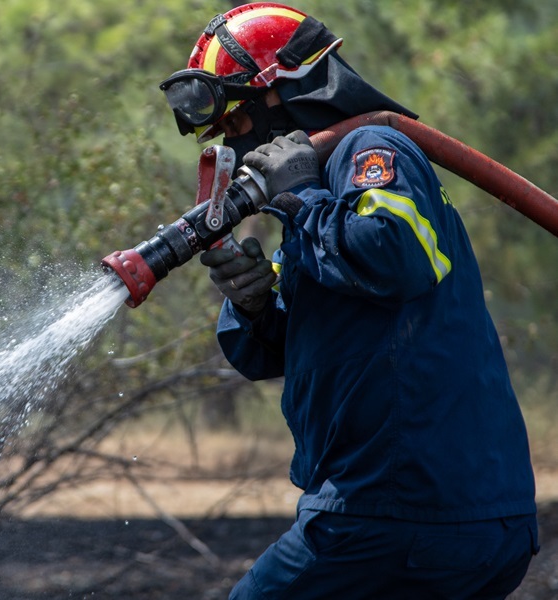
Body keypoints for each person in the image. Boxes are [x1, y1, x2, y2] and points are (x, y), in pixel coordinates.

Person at [158, 3, 539, 598]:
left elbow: (396, 253)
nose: (242, 145)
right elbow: (268, 353)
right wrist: (256, 305)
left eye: (240, 124)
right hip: (462, 512)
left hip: (394, 510)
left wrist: (304, 191)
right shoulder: (321, 202)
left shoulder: (372, 149)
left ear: (290, 96)